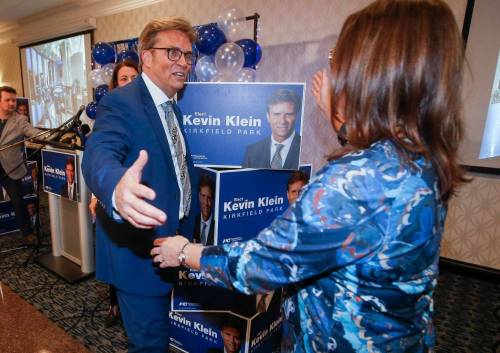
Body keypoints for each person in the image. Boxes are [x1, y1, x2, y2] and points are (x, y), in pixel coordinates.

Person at [151, 1, 468, 351]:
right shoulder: (421, 153)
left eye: (340, 58)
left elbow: (260, 265)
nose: (336, 70)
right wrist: (343, 125)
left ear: (372, 72)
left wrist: (184, 252)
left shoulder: (354, 181)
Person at [82, 17, 198, 352]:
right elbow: (98, 153)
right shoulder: (121, 102)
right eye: (172, 53)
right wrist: (117, 188)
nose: (183, 63)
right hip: (139, 257)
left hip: (170, 248)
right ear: (146, 57)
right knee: (151, 346)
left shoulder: (170, 106)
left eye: (188, 56)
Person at [88, 59, 139, 328]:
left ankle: (132, 306)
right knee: (113, 253)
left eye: (134, 77)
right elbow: (99, 157)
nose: (129, 83)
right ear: (115, 84)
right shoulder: (108, 113)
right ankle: (114, 304)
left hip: (141, 197)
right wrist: (99, 193)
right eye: (123, 79)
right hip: (113, 197)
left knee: (134, 258)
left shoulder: (149, 111)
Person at [0, 86, 41, 244]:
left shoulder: (20, 120)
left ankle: (27, 233)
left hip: (11, 168)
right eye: (7, 100)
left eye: (13, 100)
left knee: (18, 202)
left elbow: (33, 132)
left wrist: (54, 136)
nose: (12, 103)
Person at [242, 89, 301, 169]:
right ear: (268, 117)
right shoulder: (252, 152)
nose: (282, 121)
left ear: (296, 116)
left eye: (289, 114)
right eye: (277, 114)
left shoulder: (305, 149)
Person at [193, 174, 215, 245]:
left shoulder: (217, 226)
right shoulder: (192, 222)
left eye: (209, 198)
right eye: (203, 196)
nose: (206, 202)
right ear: (199, 196)